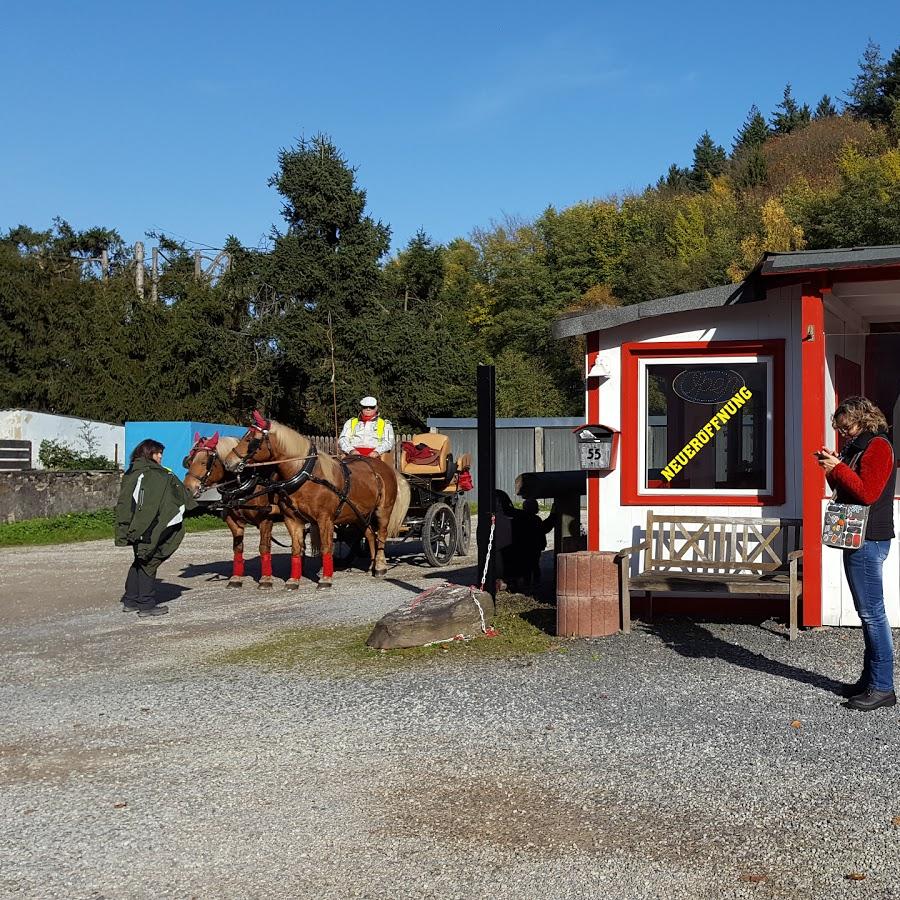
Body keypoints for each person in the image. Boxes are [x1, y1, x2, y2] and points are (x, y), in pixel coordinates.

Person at [816, 396, 896, 711]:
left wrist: (838, 467)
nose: (843, 433)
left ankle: (882, 687)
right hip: (860, 538)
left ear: (861, 418)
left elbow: (867, 492)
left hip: (868, 539)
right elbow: (845, 488)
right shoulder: (859, 446)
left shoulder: (877, 445)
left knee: (873, 615)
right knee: (869, 614)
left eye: (846, 427)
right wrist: (832, 467)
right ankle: (870, 680)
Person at [115, 439, 199, 618]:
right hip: (148, 526)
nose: (160, 456)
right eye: (157, 453)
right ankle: (146, 605)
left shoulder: (133, 471)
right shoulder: (153, 475)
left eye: (161, 453)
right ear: (148, 453)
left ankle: (130, 600)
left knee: (139, 560)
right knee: (148, 561)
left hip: (135, 525)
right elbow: (150, 505)